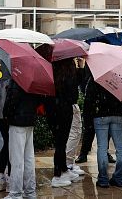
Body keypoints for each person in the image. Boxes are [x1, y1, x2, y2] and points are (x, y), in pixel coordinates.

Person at [84, 70, 122, 188]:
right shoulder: (119, 77)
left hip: (101, 115)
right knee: (120, 147)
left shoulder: (96, 78)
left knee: (102, 147)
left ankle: (103, 179)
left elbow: (89, 99)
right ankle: (120, 178)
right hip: (117, 114)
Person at [4, 78, 41, 198]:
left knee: (16, 159)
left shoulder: (17, 80)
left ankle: (15, 192)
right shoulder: (33, 79)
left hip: (17, 121)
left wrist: (6, 114)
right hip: (29, 120)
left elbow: (11, 101)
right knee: (28, 158)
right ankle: (30, 191)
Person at [47, 59, 81, 187]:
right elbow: (74, 96)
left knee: (59, 142)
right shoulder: (68, 72)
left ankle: (64, 170)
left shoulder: (50, 69)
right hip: (64, 110)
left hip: (52, 110)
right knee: (61, 143)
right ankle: (57, 175)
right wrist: (79, 70)